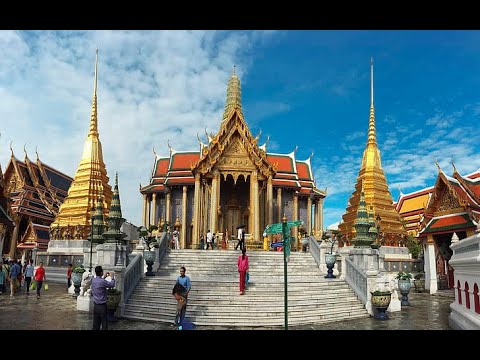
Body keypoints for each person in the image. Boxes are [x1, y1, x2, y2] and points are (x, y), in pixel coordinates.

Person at [91, 265, 116, 330]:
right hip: (102, 306)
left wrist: (104, 277)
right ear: (101, 272)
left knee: (95, 325)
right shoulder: (102, 281)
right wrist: (112, 277)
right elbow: (112, 285)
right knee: (104, 324)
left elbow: (100, 282)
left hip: (96, 306)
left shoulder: (93, 280)